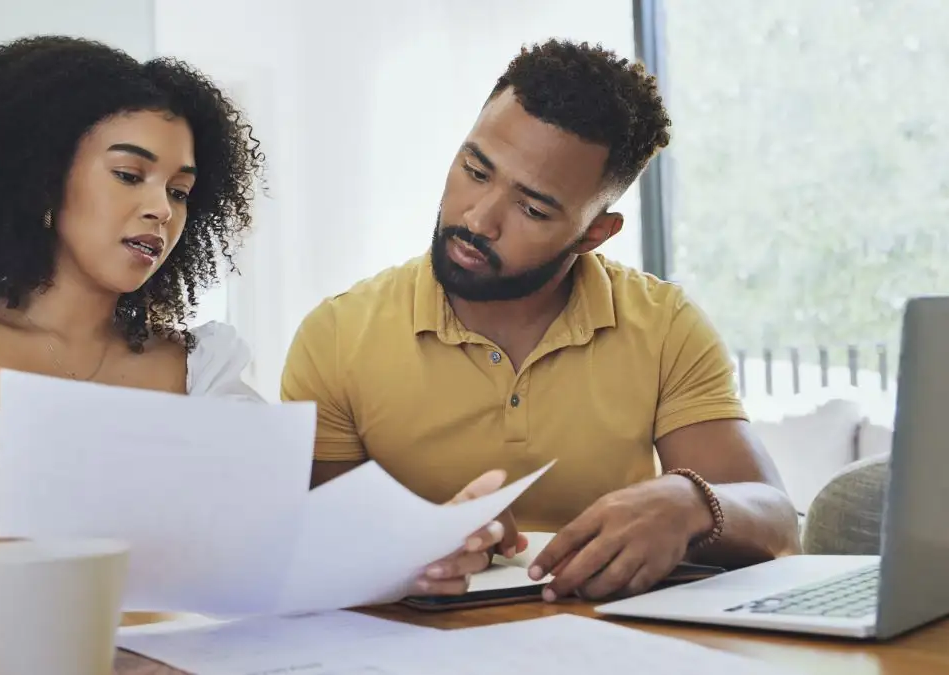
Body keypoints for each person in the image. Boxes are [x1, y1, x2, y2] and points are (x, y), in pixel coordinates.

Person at [0, 36, 507, 664]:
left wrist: (420, 541)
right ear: (38, 178)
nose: (162, 209)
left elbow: (284, 558)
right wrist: (5, 593)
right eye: (129, 175)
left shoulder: (201, 370)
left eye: (181, 189)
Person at [280, 39, 802, 604]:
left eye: (532, 209)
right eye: (476, 170)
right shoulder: (335, 336)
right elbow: (302, 547)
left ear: (593, 234)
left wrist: (690, 502)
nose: (478, 218)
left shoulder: (663, 325)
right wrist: (411, 542)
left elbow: (777, 522)